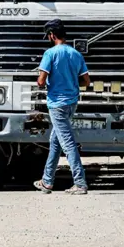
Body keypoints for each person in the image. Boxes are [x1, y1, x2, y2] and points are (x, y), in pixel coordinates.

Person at [33, 19, 91, 195]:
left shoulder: (50, 54)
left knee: (67, 143)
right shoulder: (76, 54)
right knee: (55, 142)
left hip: (57, 104)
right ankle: (47, 181)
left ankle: (80, 183)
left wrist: (41, 81)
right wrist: (70, 82)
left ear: (52, 35)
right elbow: (86, 81)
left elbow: (41, 81)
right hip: (72, 103)